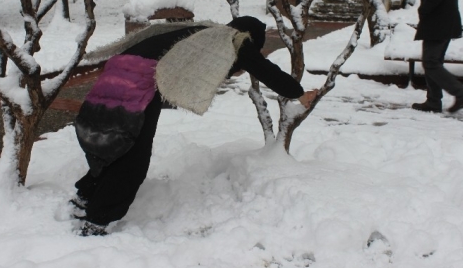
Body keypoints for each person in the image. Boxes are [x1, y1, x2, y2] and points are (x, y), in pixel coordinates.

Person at [71, 16, 318, 236]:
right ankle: (97, 221)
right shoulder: (233, 39)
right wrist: (298, 93)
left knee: (115, 141)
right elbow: (267, 71)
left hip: (115, 73)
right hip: (139, 84)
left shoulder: (202, 32)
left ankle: (86, 195)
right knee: (132, 158)